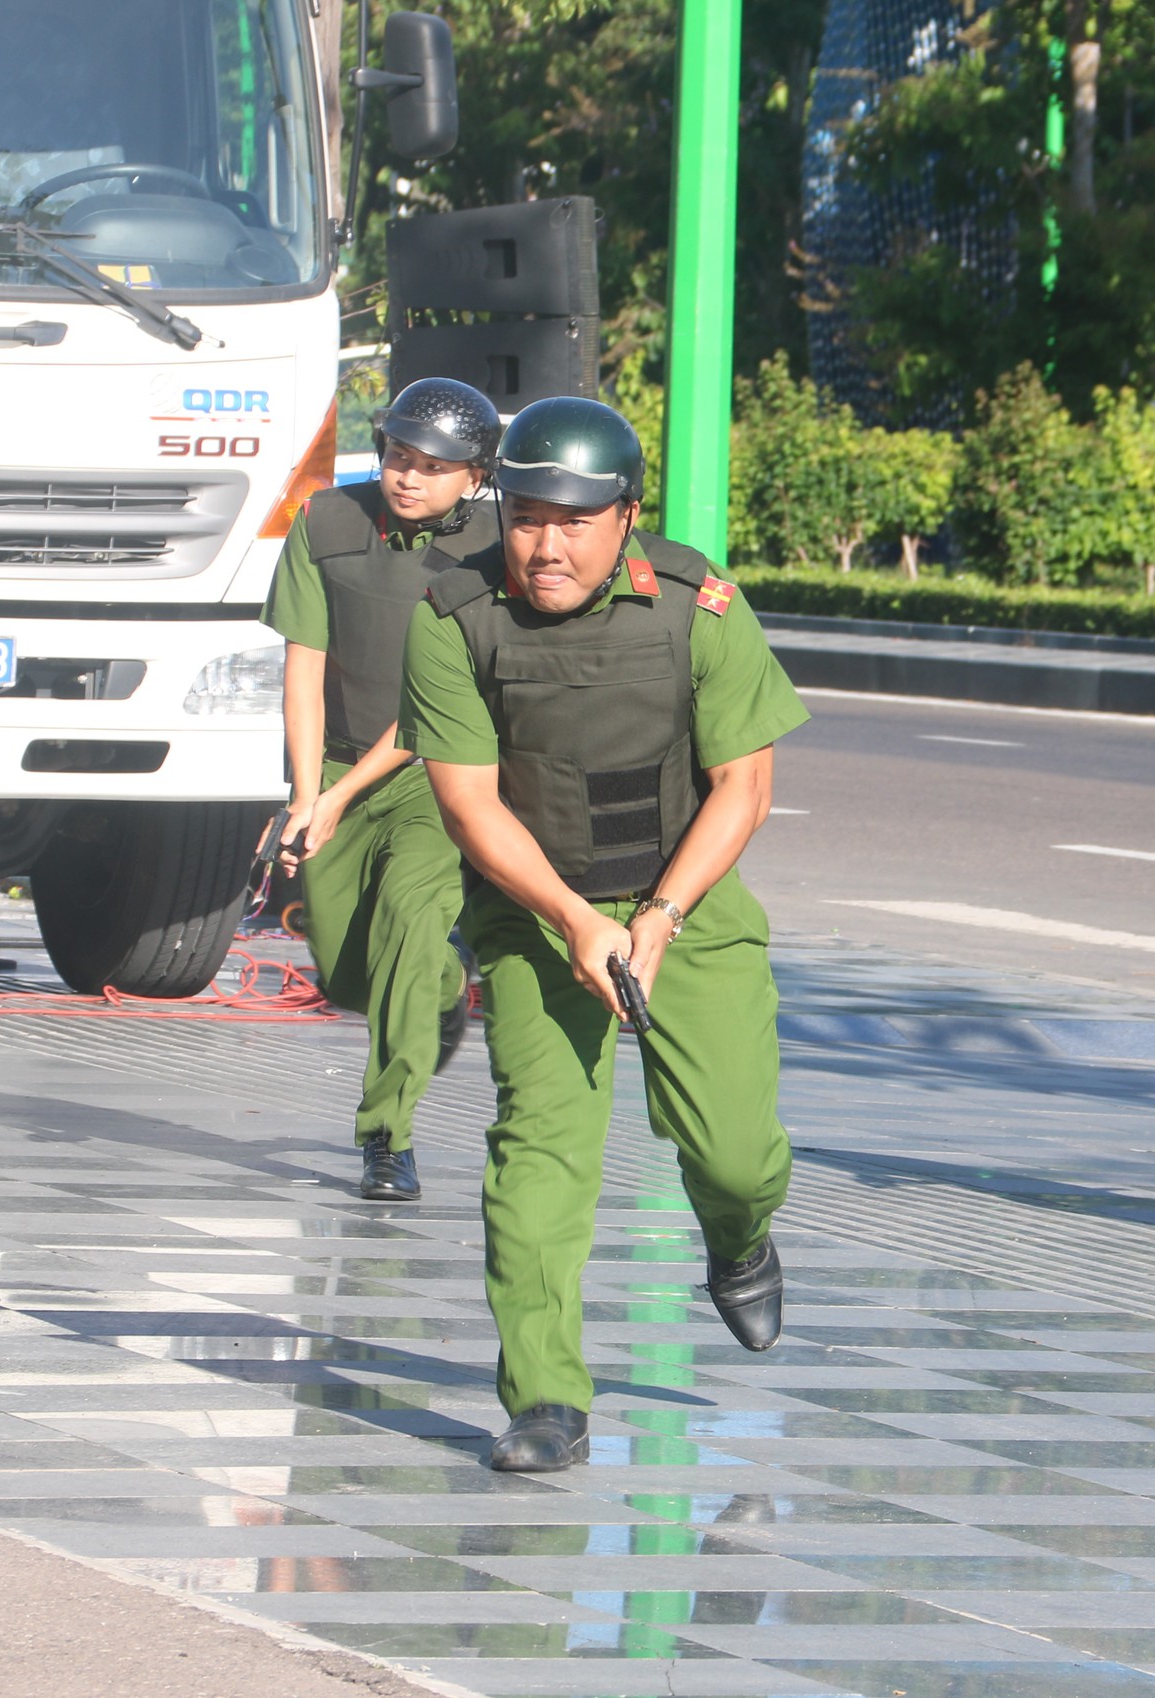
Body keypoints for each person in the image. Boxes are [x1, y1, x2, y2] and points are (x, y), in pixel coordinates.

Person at [398, 395, 809, 1473]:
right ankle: (544, 1398)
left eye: (574, 521)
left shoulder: (698, 608)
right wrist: (578, 924)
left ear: (626, 517)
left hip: (691, 897)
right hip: (540, 908)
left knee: (731, 1146)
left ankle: (738, 1234)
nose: (545, 545)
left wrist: (660, 919)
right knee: (540, 1149)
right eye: (526, 517)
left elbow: (745, 786)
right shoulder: (454, 617)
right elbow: (470, 805)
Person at [262, 377, 504, 1202]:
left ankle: (386, 1134)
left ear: (475, 477)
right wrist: (308, 795)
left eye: (434, 467)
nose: (409, 476)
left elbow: (436, 704)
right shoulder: (327, 521)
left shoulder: (498, 545)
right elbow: (304, 664)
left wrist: (334, 798)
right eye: (400, 457)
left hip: (442, 773)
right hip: (333, 768)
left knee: (409, 920)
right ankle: (441, 988)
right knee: (345, 971)